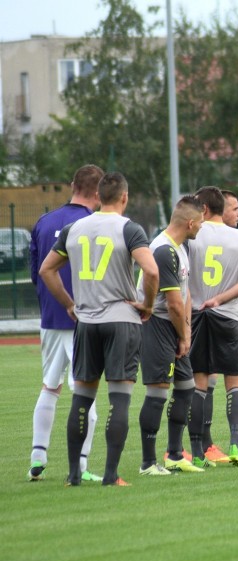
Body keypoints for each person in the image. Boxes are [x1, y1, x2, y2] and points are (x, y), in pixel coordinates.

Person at [39, 171, 159, 486]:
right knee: (119, 398)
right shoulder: (129, 228)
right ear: (124, 197)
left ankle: (74, 474)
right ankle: (110, 474)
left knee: (82, 397)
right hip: (121, 320)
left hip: (87, 323)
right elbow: (151, 269)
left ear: (98, 197)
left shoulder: (74, 228)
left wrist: (68, 302)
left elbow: (46, 269)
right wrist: (147, 304)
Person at [28, 164, 103, 483]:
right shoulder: (96, 225)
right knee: (87, 394)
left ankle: (37, 457)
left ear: (73, 185)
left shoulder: (44, 222)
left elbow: (37, 273)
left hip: (51, 316)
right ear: (99, 192)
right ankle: (82, 465)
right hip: (85, 318)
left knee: (50, 386)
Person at [186, 186, 238, 467]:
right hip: (228, 316)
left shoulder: (190, 236)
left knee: (199, 383)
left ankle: (199, 452)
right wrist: (221, 298)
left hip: (195, 316)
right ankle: (236, 445)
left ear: (202, 208)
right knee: (235, 382)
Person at [136, 197, 206, 476]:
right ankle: (147, 462)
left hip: (175, 327)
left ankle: (175, 455)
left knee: (186, 387)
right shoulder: (164, 250)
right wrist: (183, 335)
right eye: (200, 222)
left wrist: (186, 332)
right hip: (156, 326)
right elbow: (174, 303)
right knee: (157, 392)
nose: (201, 227)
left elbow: (186, 295)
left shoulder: (180, 248)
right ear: (190, 223)